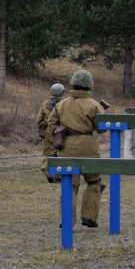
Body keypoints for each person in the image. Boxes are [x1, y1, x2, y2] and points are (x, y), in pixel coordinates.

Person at [46, 68, 106, 228]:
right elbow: (102, 128)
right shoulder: (94, 105)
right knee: (94, 181)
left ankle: (66, 221)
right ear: (89, 86)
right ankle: (89, 217)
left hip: (67, 148)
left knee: (70, 184)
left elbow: (50, 126)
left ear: (72, 84)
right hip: (89, 149)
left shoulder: (61, 105)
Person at [37, 83, 66, 182]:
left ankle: (48, 172)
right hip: (61, 132)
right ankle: (58, 175)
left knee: (48, 154)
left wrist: (42, 129)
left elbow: (39, 119)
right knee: (60, 154)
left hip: (47, 132)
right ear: (62, 92)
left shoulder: (45, 104)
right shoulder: (65, 104)